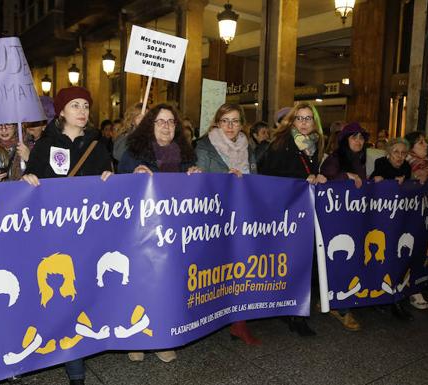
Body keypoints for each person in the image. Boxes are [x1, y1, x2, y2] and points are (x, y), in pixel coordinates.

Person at [22, 86, 112, 385]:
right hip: (56, 236)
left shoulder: (99, 146)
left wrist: (109, 179)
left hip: (87, 234)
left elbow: (107, 185)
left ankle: (77, 354)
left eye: (86, 105)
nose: (82, 111)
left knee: (81, 294)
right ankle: (74, 367)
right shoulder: (45, 146)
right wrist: (29, 179)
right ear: (61, 111)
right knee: (63, 297)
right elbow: (32, 184)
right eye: (75, 105)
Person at [118, 103, 200, 361]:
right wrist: (134, 175)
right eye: (160, 121)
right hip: (140, 231)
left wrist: (196, 175)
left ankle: (163, 338)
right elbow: (119, 190)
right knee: (141, 283)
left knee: (168, 284)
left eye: (171, 122)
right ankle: (137, 339)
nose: (166, 126)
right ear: (149, 125)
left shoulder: (186, 156)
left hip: (173, 233)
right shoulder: (133, 153)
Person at [195, 103, 259, 345]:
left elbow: (255, 177)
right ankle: (209, 317)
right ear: (217, 123)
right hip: (214, 217)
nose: (230, 126)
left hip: (242, 214)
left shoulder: (248, 147)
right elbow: (199, 178)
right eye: (225, 121)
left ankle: (239, 324)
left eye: (235, 121)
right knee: (215, 271)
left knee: (240, 268)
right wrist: (226, 179)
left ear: (242, 124)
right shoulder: (204, 145)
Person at [260, 102, 326, 337]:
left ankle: (296, 310)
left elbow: (310, 173)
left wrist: (317, 177)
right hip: (283, 213)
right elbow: (268, 176)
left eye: (309, 118)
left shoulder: (314, 145)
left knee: (302, 262)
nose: (304, 122)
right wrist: (301, 179)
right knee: (287, 262)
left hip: (303, 213)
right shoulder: (281, 144)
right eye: (299, 118)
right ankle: (291, 312)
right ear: (291, 121)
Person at [320, 122, 368, 331]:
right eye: (354, 137)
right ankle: (341, 307)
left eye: (361, 138)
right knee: (339, 260)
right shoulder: (336, 158)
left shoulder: (358, 159)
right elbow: (325, 180)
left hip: (351, 217)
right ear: (345, 140)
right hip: (335, 220)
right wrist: (345, 176)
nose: (358, 141)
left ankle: (330, 299)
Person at [369, 137, 414, 321]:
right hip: (380, 219)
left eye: (404, 153)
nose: (400, 156)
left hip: (400, 218)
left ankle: (394, 297)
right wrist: (386, 181)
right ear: (388, 152)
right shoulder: (380, 163)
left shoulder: (407, 167)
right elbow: (372, 182)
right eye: (396, 152)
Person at [405, 131, 428, 310]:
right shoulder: (408, 160)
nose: (425, 145)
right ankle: (411, 289)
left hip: (426, 211)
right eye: (420, 142)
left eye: (425, 142)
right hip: (410, 212)